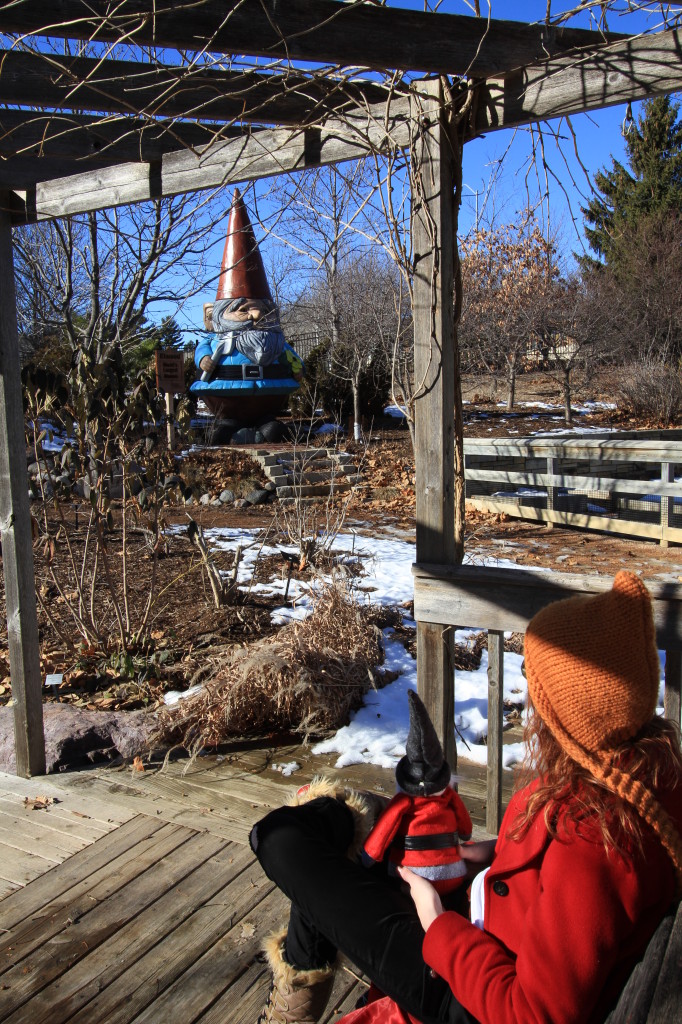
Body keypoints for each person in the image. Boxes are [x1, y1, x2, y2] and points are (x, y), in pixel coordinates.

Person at [249, 571, 682, 1024]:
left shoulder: (595, 839)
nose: (529, 704)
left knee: (281, 838)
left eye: (538, 689)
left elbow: (530, 1014)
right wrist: (494, 855)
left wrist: (437, 922)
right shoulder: (630, 773)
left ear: (572, 714)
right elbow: (561, 882)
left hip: (463, 990)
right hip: (478, 921)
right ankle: (297, 990)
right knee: (318, 835)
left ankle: (294, 998)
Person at [362, 690, 473, 898]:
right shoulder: (449, 796)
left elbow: (383, 832)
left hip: (411, 876)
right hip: (452, 874)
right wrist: (465, 836)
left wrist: (369, 856)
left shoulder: (403, 801)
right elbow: (466, 828)